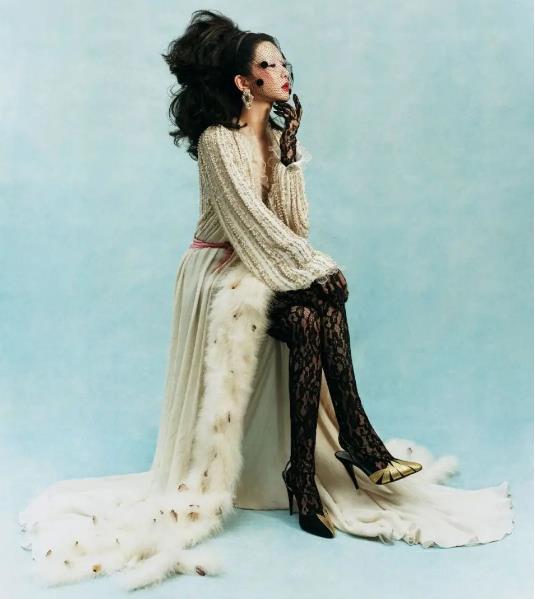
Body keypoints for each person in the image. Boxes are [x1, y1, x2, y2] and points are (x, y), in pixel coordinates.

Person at [18, 9, 514, 592]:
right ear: (243, 81)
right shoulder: (217, 140)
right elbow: (248, 225)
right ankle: (357, 440)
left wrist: (291, 153)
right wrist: (316, 268)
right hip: (218, 268)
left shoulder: (272, 137)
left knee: (307, 316)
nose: (283, 71)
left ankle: (304, 473)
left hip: (264, 258)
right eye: (268, 64)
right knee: (325, 289)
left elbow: (292, 224)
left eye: (283, 62)